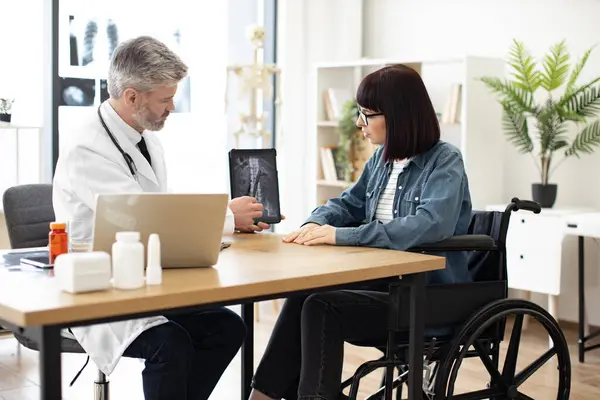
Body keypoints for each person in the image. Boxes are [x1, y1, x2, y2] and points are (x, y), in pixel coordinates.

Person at [53, 36, 266, 400]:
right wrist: (226, 216)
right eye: (165, 99)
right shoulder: (86, 148)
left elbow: (160, 217)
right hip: (100, 288)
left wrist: (218, 225)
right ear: (132, 96)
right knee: (170, 344)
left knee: (227, 327)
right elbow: (140, 218)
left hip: (147, 282)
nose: (172, 107)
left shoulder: (146, 139)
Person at [248, 64, 473, 400]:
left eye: (367, 114)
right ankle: (263, 396)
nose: (359, 124)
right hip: (381, 286)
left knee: (322, 306)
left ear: (398, 115)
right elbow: (347, 205)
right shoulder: (381, 161)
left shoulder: (445, 161)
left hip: (425, 297)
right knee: (303, 293)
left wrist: (344, 236)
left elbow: (430, 224)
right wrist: (315, 223)